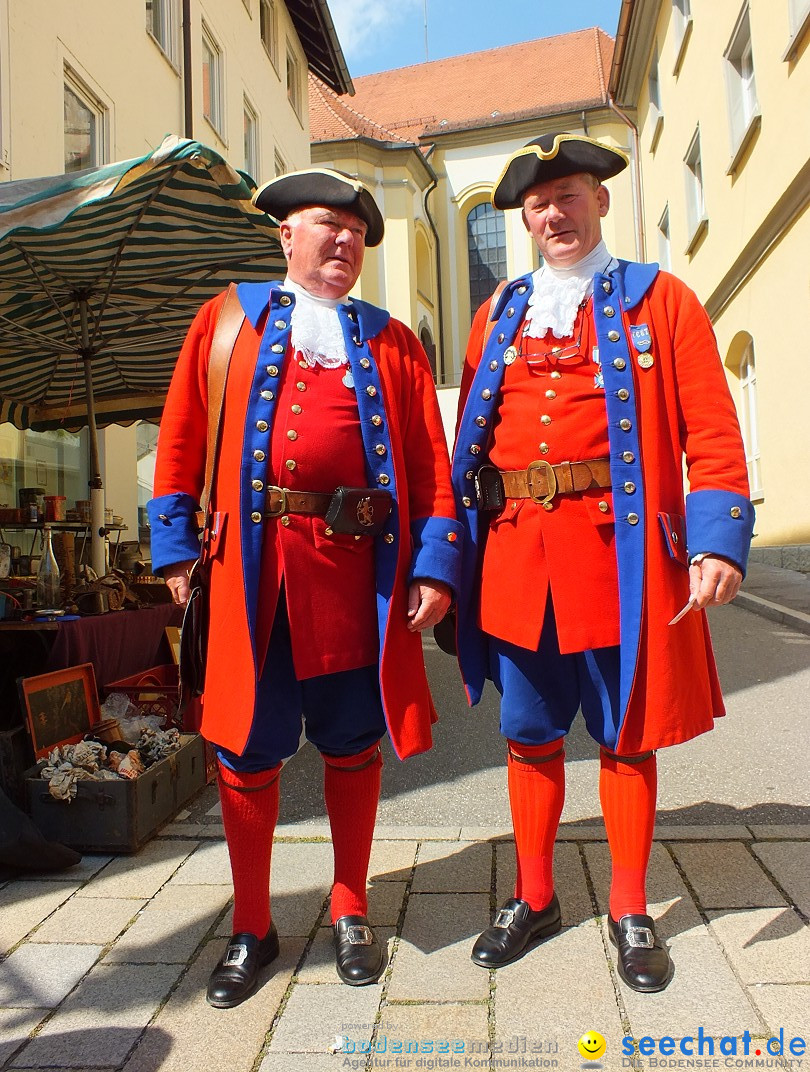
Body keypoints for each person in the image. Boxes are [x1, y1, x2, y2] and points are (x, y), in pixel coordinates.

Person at [148, 168, 461, 1007]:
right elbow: (179, 441)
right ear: (287, 235)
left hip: (360, 579)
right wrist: (176, 550)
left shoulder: (394, 340)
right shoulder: (226, 322)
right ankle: (253, 923)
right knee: (246, 751)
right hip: (254, 579)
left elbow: (431, 469)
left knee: (354, 742)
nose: (345, 241)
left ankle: (352, 905)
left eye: (358, 231)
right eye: (328, 224)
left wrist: (436, 563)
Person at [452, 133, 754, 992]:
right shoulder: (500, 311)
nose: (555, 214)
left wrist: (717, 536)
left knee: (627, 734)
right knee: (528, 733)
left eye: (570, 196)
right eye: (539, 204)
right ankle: (536, 896)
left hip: (617, 564)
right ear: (526, 219)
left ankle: (628, 908)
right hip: (516, 561)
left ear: (601, 202)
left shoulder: (663, 300)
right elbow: (466, 441)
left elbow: (710, 427)